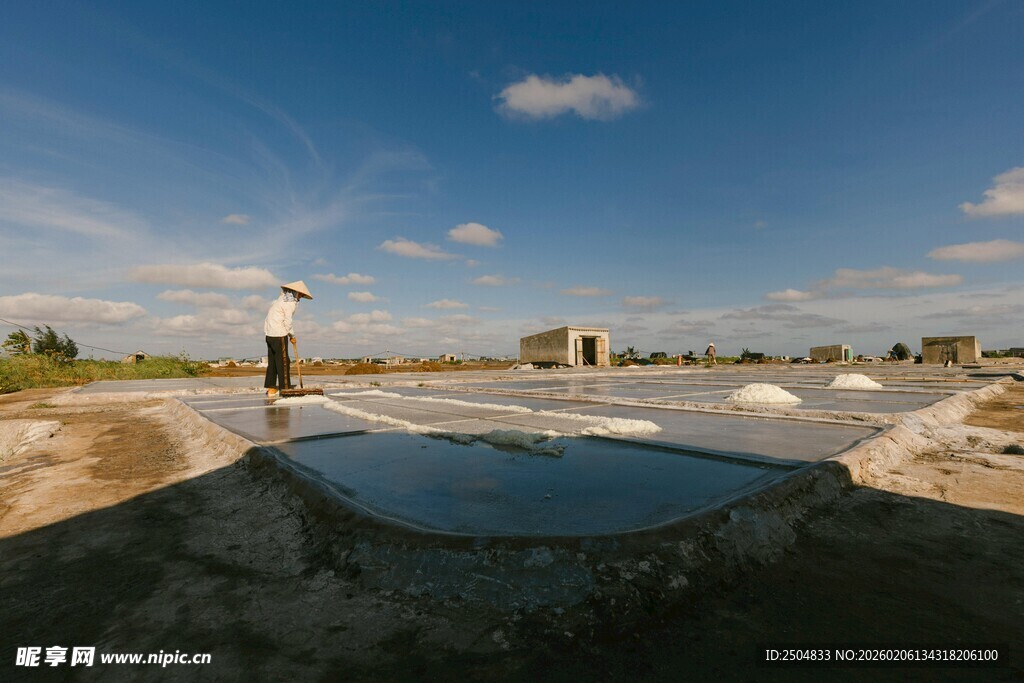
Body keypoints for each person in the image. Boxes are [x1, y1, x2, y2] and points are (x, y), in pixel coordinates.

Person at [264, 280, 313, 397]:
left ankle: (271, 388)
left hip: (269, 335)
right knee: (284, 362)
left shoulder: (280, 300)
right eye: (300, 295)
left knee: (273, 362)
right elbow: (288, 321)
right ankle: (285, 389)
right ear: (295, 292)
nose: (300, 297)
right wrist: (292, 336)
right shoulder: (289, 303)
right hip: (279, 334)